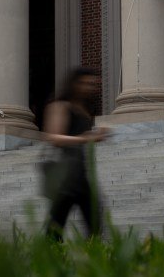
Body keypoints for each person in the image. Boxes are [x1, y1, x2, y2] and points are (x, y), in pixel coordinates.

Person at [42, 67, 109, 240]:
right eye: (86, 83)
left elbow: (82, 138)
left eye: (93, 84)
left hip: (81, 173)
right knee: (56, 226)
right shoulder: (60, 106)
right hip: (65, 176)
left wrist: (96, 136)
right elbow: (54, 138)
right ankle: (50, 253)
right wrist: (86, 138)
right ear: (74, 84)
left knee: (95, 222)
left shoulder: (85, 110)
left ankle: (93, 253)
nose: (90, 88)